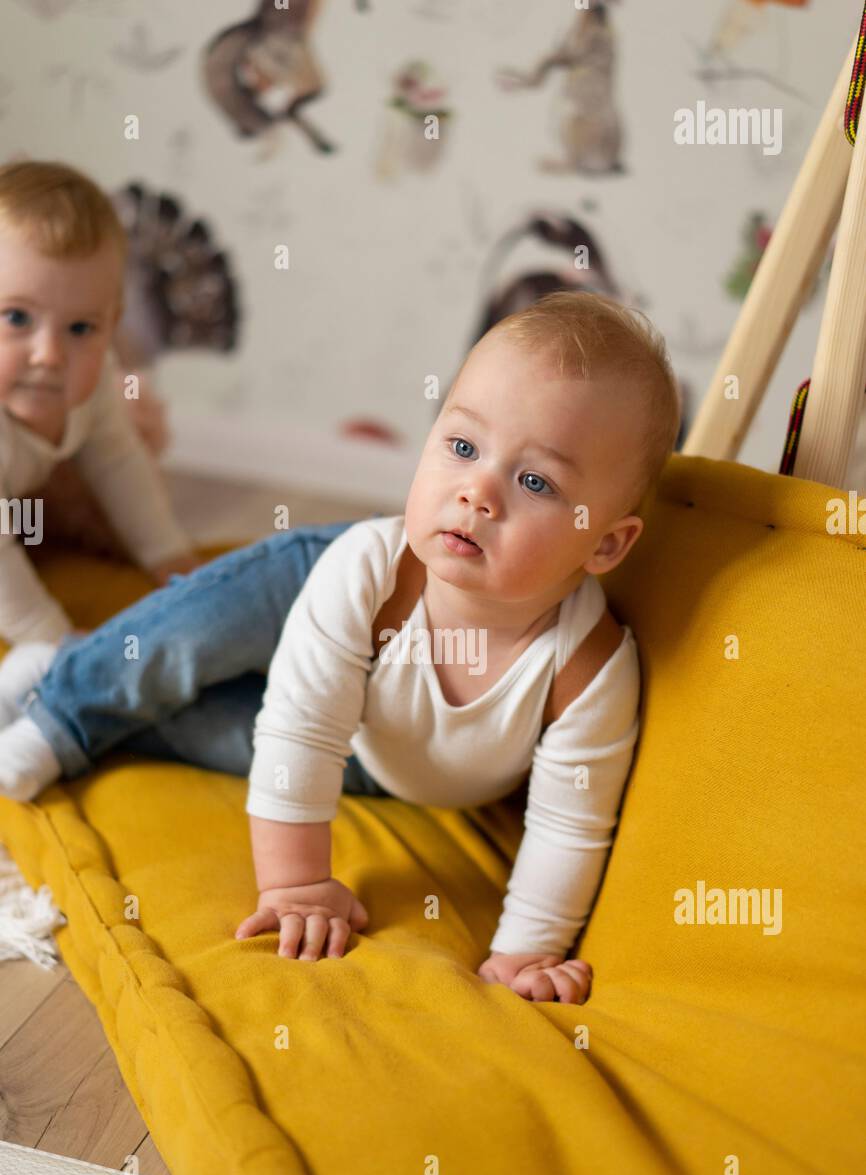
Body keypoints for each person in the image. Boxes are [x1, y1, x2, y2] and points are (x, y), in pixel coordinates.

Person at [0, 290, 681, 1003]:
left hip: (375, 750)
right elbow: (302, 727)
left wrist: (524, 952)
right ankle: (67, 709)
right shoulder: (368, 573)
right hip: (318, 591)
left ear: (605, 542)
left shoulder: (588, 669)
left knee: (215, 731)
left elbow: (569, 826)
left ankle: (54, 669)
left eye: (536, 481)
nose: (477, 492)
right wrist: (297, 886)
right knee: (186, 640)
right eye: (461, 447)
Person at [0, 158, 198, 664]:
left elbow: (119, 464)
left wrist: (167, 554)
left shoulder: (94, 387)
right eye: (17, 317)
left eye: (81, 329)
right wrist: (49, 637)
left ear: (112, 326)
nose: (49, 354)